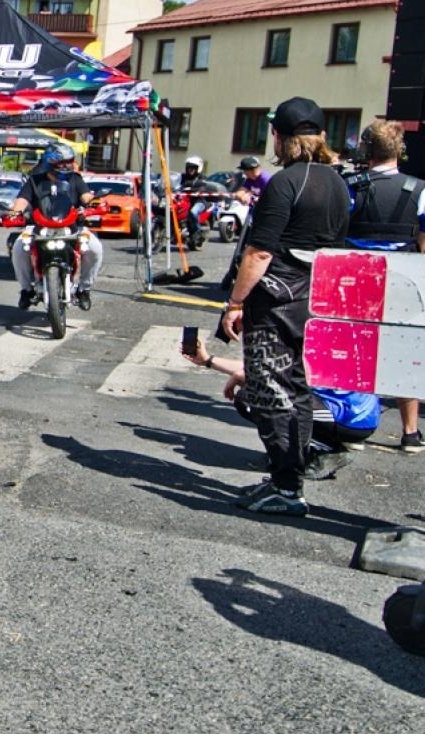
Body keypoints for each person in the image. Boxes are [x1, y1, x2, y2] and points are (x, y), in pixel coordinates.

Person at [222, 97, 351, 516]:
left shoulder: (286, 181)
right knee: (296, 390)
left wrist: (235, 302)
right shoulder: (336, 182)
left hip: (276, 300)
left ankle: (286, 486)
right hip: (315, 298)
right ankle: (287, 479)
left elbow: (259, 252)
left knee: (270, 393)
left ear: (282, 137)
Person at [180, 343, 379, 480]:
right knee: (256, 392)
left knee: (252, 398)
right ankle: (305, 450)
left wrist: (250, 375)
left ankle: (323, 451)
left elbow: (285, 375)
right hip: (346, 413)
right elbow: (263, 368)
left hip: (348, 416)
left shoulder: (312, 332)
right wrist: (208, 360)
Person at [343, 117, 424, 453]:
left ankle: (351, 423)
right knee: (403, 354)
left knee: (353, 351)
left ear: (366, 149)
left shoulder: (349, 185)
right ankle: (410, 433)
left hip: (357, 279)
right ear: (399, 151)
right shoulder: (419, 189)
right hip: (403, 279)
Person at [8, 141, 103, 311]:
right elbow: (22, 200)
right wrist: (15, 212)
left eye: (70, 161)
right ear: (50, 163)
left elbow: (86, 196)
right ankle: (26, 289)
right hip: (39, 226)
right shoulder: (34, 181)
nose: (68, 165)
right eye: (63, 162)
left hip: (73, 226)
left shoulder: (76, 179)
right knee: (18, 248)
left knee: (95, 249)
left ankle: (84, 289)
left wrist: (94, 204)